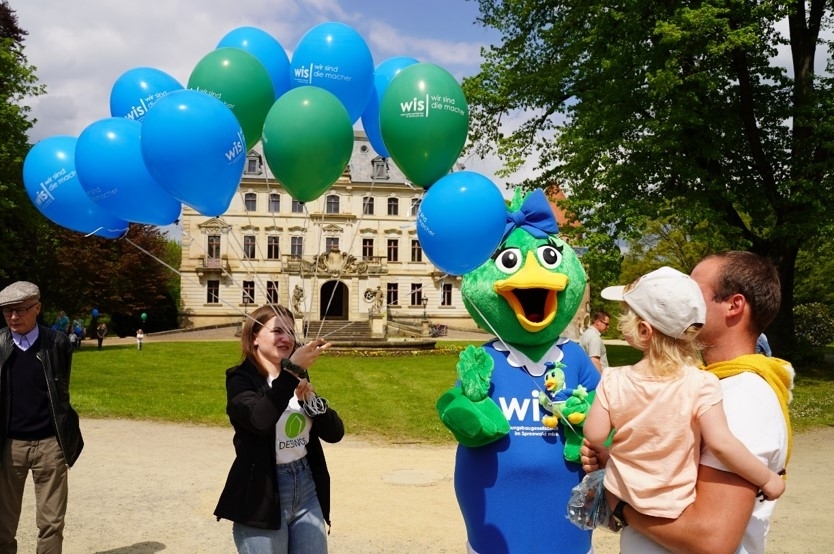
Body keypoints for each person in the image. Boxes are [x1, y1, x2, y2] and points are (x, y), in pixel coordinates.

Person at [581, 252, 794, 554]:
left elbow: (711, 541)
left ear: (734, 305)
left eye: (693, 289)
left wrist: (617, 501)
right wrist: (617, 460)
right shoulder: (706, 383)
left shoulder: (742, 397)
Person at [214, 304, 344, 553]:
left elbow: (335, 434)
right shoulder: (240, 379)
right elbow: (259, 421)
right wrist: (291, 371)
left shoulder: (297, 378)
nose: (286, 338)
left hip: (305, 485)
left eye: (290, 331)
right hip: (262, 492)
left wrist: (311, 402)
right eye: (277, 331)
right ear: (254, 337)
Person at [0, 281, 84, 553]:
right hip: (8, 446)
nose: (14, 317)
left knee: (51, 523)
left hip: (50, 444)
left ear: (37, 308)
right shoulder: (0, 343)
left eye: (21, 310)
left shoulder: (57, 343)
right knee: (2, 523)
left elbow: (61, 393)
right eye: (7, 311)